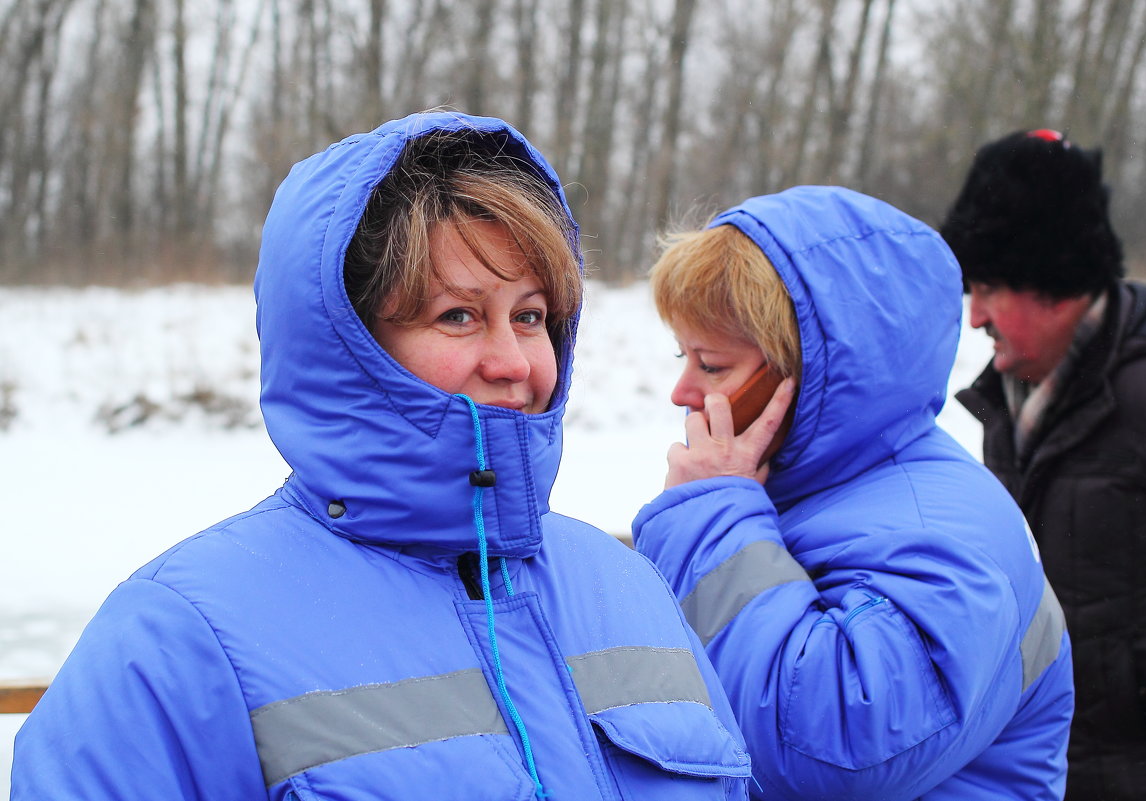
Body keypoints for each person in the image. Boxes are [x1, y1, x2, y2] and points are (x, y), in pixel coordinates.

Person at [12, 111, 751, 800]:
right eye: (457, 315)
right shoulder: (178, 640)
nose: (514, 360)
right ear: (351, 345)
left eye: (529, 315)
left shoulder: (629, 591)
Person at [632, 185, 1074, 800]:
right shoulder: (814, 485)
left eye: (710, 364)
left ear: (805, 375)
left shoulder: (943, 532)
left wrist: (712, 519)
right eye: (684, 356)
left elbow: (832, 748)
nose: (682, 391)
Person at [942, 129, 1146, 801]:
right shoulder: (1007, 403)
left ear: (1056, 280)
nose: (973, 314)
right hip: (1051, 769)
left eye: (988, 287)